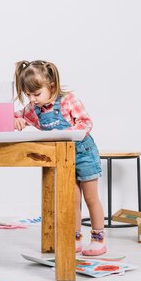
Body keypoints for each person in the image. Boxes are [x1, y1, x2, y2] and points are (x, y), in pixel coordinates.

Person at [13, 60, 106, 256]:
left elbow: (86, 123)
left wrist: (64, 134)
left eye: (36, 94)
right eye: (28, 95)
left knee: (91, 198)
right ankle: (75, 239)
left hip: (84, 154)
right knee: (70, 200)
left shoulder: (68, 101)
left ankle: (99, 240)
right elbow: (13, 115)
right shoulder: (33, 108)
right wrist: (17, 119)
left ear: (52, 86)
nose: (32, 99)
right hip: (63, 158)